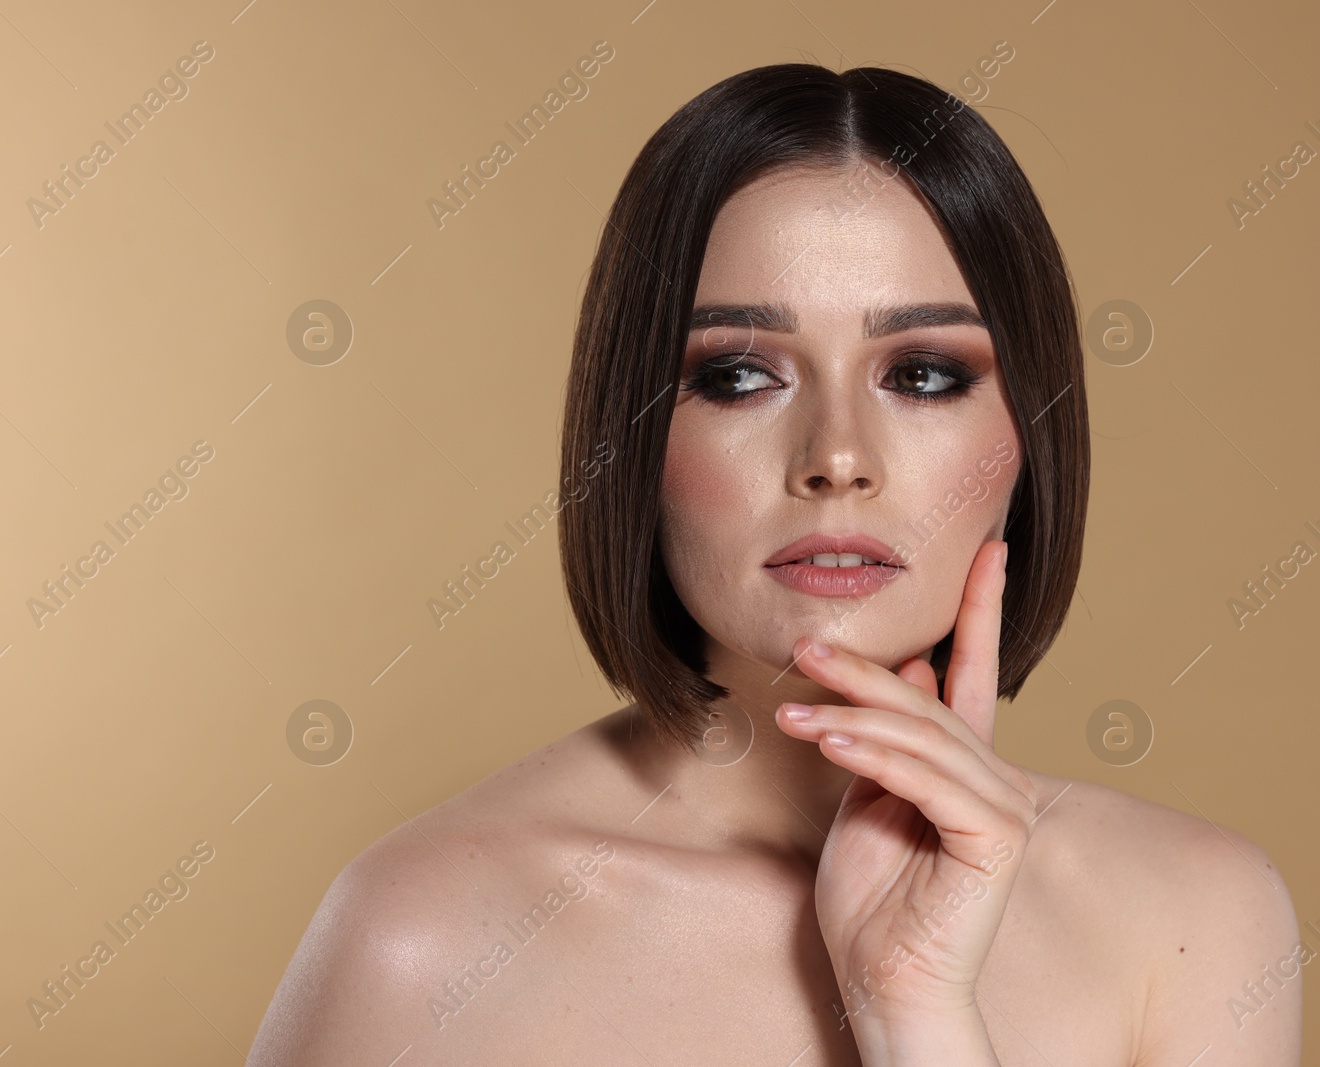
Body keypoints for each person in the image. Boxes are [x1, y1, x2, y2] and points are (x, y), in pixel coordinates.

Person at [245, 64, 1302, 1065]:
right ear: (635, 437)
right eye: (739, 374)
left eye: (925, 373)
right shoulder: (421, 939)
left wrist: (915, 1008)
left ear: (1028, 438)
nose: (836, 457)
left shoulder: (1196, 916)